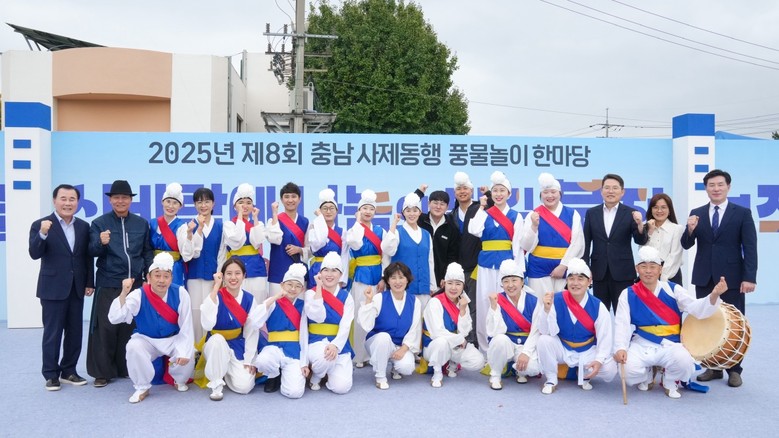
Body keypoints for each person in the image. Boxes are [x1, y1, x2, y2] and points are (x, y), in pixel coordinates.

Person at [614, 246, 727, 399]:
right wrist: (620, 348)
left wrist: (714, 295)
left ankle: (669, 379)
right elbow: (621, 323)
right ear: (637, 269)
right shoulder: (627, 294)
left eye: (653, 267)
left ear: (660, 270)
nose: (648, 271)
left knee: (685, 362)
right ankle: (647, 373)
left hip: (670, 344)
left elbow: (696, 308)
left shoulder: (673, 289)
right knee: (626, 371)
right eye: (644, 267)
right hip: (642, 343)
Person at [681, 169, 758, 387]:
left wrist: (749, 277)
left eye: (720, 184)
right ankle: (712, 367)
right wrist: (689, 230)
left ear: (728, 187)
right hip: (704, 277)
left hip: (733, 277)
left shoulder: (742, 213)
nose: (716, 189)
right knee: (706, 321)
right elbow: (686, 244)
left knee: (734, 323)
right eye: (711, 185)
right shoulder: (697, 213)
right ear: (706, 188)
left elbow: (750, 247)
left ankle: (734, 369)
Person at [87, 180, 154, 387]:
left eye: (124, 197)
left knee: (128, 327)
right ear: (110, 200)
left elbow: (147, 251)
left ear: (131, 200)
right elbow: (91, 251)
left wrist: (148, 274)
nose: (120, 201)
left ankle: (124, 368)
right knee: (105, 327)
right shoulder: (99, 223)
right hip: (109, 282)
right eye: (116, 197)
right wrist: (100, 242)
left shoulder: (141, 224)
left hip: (134, 283)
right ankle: (102, 372)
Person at [29, 184, 94, 391]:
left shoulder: (83, 226)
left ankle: (69, 371)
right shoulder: (41, 225)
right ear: (54, 200)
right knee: (53, 333)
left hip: (76, 287)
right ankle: (51, 374)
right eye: (63, 199)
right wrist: (42, 233)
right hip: (52, 288)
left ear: (77, 202)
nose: (67, 203)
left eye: (72, 199)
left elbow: (87, 257)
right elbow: (34, 253)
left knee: (75, 332)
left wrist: (89, 282)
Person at [107, 253, 195, 403]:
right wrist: (123, 293)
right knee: (133, 346)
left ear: (171, 278)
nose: (161, 280)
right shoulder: (138, 295)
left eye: (166, 276)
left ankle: (179, 379)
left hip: (173, 338)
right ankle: (142, 387)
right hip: (147, 339)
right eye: (157, 275)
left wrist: (184, 351)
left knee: (189, 352)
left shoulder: (181, 293)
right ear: (149, 277)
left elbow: (186, 325)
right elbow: (115, 318)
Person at [536, 258, 617, 394]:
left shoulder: (598, 306)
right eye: (571, 279)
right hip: (563, 348)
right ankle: (551, 379)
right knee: (543, 340)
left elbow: (605, 337)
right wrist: (546, 310)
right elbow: (544, 331)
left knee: (610, 369)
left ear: (589, 281)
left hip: (587, 350)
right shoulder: (556, 299)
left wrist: (598, 360)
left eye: (580, 279)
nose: (575, 283)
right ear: (567, 281)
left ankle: (583, 372)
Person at [468, 171, 524, 353]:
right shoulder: (485, 214)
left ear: (509, 193)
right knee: (484, 304)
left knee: (505, 304)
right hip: (486, 265)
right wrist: (481, 208)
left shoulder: (516, 216)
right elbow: (473, 229)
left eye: (502, 190)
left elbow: (518, 245)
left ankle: (505, 346)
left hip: (506, 267)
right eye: (495, 191)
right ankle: (485, 349)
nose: (498, 194)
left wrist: (518, 271)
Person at [187, 187, 245, 341]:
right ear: (194, 204)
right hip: (193, 276)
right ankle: (195, 348)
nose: (203, 205)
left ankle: (209, 346)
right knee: (194, 312)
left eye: (207, 201)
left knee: (212, 311)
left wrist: (219, 274)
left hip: (213, 278)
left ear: (213, 204)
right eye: (199, 202)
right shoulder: (189, 226)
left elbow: (222, 253)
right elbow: (187, 252)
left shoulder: (220, 226)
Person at [583, 173, 647, 311]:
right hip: (599, 271)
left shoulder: (631, 213)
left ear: (622, 192)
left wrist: (640, 225)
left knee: (624, 312)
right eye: (607, 188)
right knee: (600, 312)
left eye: (615, 188)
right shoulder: (591, 213)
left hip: (623, 271)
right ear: (601, 191)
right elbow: (586, 243)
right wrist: (586, 268)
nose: (610, 191)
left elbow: (640, 240)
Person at [197, 257, 258, 401]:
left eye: (237, 273)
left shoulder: (249, 299)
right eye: (229, 273)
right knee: (217, 340)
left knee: (245, 387)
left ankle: (225, 370)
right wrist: (215, 287)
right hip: (214, 344)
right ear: (223, 276)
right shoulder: (215, 296)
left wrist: (249, 360)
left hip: (237, 344)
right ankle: (216, 383)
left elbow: (251, 332)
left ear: (244, 276)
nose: (233, 277)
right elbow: (207, 325)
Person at [357, 262, 422, 390]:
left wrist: (403, 349)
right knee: (384, 337)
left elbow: (415, 329)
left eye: (401, 277)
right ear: (387, 281)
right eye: (393, 278)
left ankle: (395, 368)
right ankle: (380, 376)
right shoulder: (379, 298)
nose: (397, 282)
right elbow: (366, 325)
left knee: (407, 367)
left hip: (399, 345)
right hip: (378, 342)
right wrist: (368, 301)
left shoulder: (415, 302)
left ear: (407, 280)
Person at [249, 263, 310, 399]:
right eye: (289, 284)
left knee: (294, 392)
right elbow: (254, 321)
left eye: (297, 286)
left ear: (302, 289)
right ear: (282, 285)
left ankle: (285, 374)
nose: (293, 289)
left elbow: (304, 335)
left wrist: (304, 362)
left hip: (294, 351)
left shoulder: (303, 306)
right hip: (274, 347)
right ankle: (274, 374)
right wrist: (275, 297)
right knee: (262, 361)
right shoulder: (273, 303)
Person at [422, 263, 485, 388]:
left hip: (455, 346)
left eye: (458, 284)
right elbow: (437, 332)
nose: (453, 288)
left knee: (478, 361)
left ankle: (452, 363)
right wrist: (459, 339)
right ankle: (437, 373)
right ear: (444, 284)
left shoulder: (463, 302)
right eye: (450, 283)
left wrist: (463, 310)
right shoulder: (435, 302)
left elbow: (465, 331)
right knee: (441, 342)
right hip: (434, 346)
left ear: (463, 286)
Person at [521, 173, 584, 295]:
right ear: (541, 195)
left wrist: (563, 266)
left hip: (564, 267)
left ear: (560, 194)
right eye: (545, 192)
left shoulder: (572, 214)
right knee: (539, 303)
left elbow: (578, 243)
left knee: (563, 303)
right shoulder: (533, 215)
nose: (550, 196)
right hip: (538, 268)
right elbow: (526, 246)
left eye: (553, 192)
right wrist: (534, 226)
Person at [346, 189, 387, 367]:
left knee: (376, 315)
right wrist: (357, 222)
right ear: (359, 210)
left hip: (377, 276)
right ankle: (359, 355)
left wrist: (384, 277)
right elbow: (355, 244)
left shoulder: (380, 230)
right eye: (364, 208)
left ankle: (374, 354)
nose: (368, 212)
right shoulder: (353, 230)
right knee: (359, 314)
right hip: (361, 275)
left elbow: (386, 256)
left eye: (371, 209)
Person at [486, 259, 542, 390]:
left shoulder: (534, 301)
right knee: (499, 340)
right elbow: (494, 332)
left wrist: (526, 353)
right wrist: (494, 308)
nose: (510, 285)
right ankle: (495, 375)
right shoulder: (497, 300)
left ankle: (519, 370)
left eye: (514, 280)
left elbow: (536, 331)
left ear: (522, 282)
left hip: (525, 344)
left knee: (533, 368)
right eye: (506, 281)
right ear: (502, 284)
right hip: (507, 344)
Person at [305, 251, 354, 394]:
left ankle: (324, 372)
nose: (329, 274)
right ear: (320, 273)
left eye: (334, 270)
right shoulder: (310, 293)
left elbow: (346, 325)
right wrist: (319, 288)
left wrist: (335, 345)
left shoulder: (347, 297)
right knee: (324, 358)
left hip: (339, 344)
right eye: (325, 270)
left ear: (340, 274)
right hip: (316, 341)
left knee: (341, 387)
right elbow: (318, 316)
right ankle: (317, 375)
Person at [383, 193, 437, 309]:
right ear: (403, 213)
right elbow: (387, 250)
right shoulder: (397, 232)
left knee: (422, 318)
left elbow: (430, 261)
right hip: (402, 288)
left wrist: (432, 285)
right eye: (408, 211)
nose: (411, 214)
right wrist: (394, 224)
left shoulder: (426, 234)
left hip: (423, 286)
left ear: (420, 212)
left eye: (415, 210)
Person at [450, 172, 483, 348]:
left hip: (477, 267)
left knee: (475, 305)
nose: (462, 192)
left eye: (465, 188)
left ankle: (474, 341)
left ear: (471, 190)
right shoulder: (452, 215)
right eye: (459, 189)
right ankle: (461, 340)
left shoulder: (480, 209)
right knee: (459, 305)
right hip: (457, 270)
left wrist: (489, 195)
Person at [225, 183, 269, 300]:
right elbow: (237, 241)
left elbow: (257, 242)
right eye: (241, 203)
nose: (245, 206)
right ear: (234, 206)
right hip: (235, 269)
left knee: (258, 302)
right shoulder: (229, 225)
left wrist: (255, 218)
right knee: (237, 303)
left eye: (248, 203)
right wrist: (240, 216)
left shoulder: (258, 223)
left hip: (256, 268)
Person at [413, 185, 461, 288]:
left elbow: (452, 256)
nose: (438, 207)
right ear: (428, 203)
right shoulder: (419, 220)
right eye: (435, 203)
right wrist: (419, 192)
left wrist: (447, 276)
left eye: (442, 204)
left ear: (447, 207)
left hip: (440, 280)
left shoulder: (452, 227)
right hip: (418, 276)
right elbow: (408, 208)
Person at [267, 182, 310, 295]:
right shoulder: (273, 221)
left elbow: (310, 249)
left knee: (298, 305)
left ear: (299, 199)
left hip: (299, 273)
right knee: (277, 304)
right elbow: (273, 239)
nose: (290, 200)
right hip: (278, 271)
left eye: (293, 196)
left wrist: (299, 250)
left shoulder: (305, 222)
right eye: (286, 197)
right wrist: (275, 214)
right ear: (281, 200)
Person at [150, 182, 195, 288]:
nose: (170, 206)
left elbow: (187, 255)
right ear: (162, 202)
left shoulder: (181, 226)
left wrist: (189, 235)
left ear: (180, 206)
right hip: (155, 268)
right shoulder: (153, 223)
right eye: (168, 201)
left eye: (175, 203)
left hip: (174, 269)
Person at [307, 188, 347, 289]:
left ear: (336, 211)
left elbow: (344, 257)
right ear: (320, 211)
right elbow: (317, 245)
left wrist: (341, 280)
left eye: (331, 208)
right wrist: (320, 220)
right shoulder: (313, 228)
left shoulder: (342, 232)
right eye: (325, 208)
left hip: (335, 272)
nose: (328, 211)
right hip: (317, 271)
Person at [641, 193, 684, 284]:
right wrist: (650, 232)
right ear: (651, 210)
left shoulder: (677, 229)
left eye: (663, 207)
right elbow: (643, 252)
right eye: (655, 207)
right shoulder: (646, 227)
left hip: (670, 275)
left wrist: (662, 278)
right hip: (649, 274)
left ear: (669, 210)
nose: (659, 211)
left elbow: (675, 256)